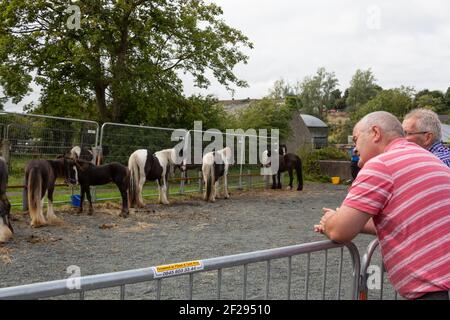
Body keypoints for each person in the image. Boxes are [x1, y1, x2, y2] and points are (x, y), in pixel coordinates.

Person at [314, 111, 450, 300]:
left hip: (435, 291)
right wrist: (350, 220)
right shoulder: (431, 159)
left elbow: (339, 231)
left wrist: (331, 222)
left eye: (356, 139)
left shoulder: (381, 164)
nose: (354, 149)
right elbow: (405, 222)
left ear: (376, 133)